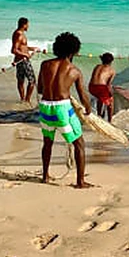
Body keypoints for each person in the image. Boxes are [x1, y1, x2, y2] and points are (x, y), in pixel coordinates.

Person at [37, 32, 92, 189]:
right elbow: (82, 95)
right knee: (79, 143)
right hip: (63, 109)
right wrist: (88, 109)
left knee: (47, 142)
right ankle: (80, 182)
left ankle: (45, 176)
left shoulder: (45, 65)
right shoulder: (74, 71)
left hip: (45, 107)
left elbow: (40, 89)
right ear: (74, 51)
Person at [11, 17, 39, 104]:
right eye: (28, 24)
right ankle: (27, 100)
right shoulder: (19, 35)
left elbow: (22, 47)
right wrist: (26, 54)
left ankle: (23, 100)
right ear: (24, 25)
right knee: (32, 81)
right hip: (23, 61)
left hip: (20, 60)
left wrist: (31, 48)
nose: (28, 26)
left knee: (21, 80)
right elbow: (14, 50)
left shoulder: (18, 33)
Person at [88, 52, 116, 122]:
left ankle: (99, 115)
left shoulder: (97, 66)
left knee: (100, 98)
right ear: (111, 61)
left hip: (91, 87)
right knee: (111, 101)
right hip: (101, 87)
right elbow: (108, 85)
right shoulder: (112, 70)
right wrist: (111, 93)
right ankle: (110, 121)